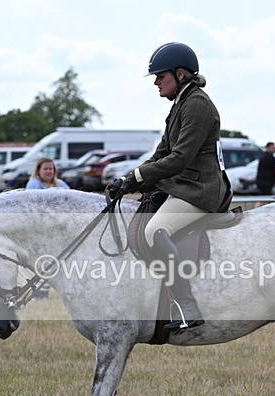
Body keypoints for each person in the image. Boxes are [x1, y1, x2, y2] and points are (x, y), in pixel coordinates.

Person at [108, 42, 229, 332]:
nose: (156, 83)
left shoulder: (198, 104)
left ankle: (187, 307)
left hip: (200, 189)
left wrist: (136, 179)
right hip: (184, 185)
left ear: (180, 74)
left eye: (160, 77)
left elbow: (180, 158)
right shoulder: (181, 104)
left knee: (155, 230)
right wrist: (128, 179)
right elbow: (161, 153)